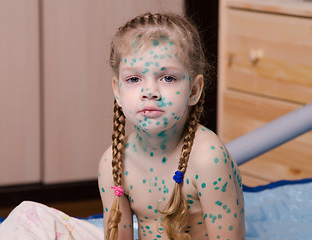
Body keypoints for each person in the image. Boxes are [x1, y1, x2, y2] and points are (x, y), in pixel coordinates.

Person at [98, 12, 245, 240]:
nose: (150, 92)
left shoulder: (208, 159)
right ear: (118, 91)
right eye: (134, 79)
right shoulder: (113, 164)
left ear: (194, 90)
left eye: (167, 78)